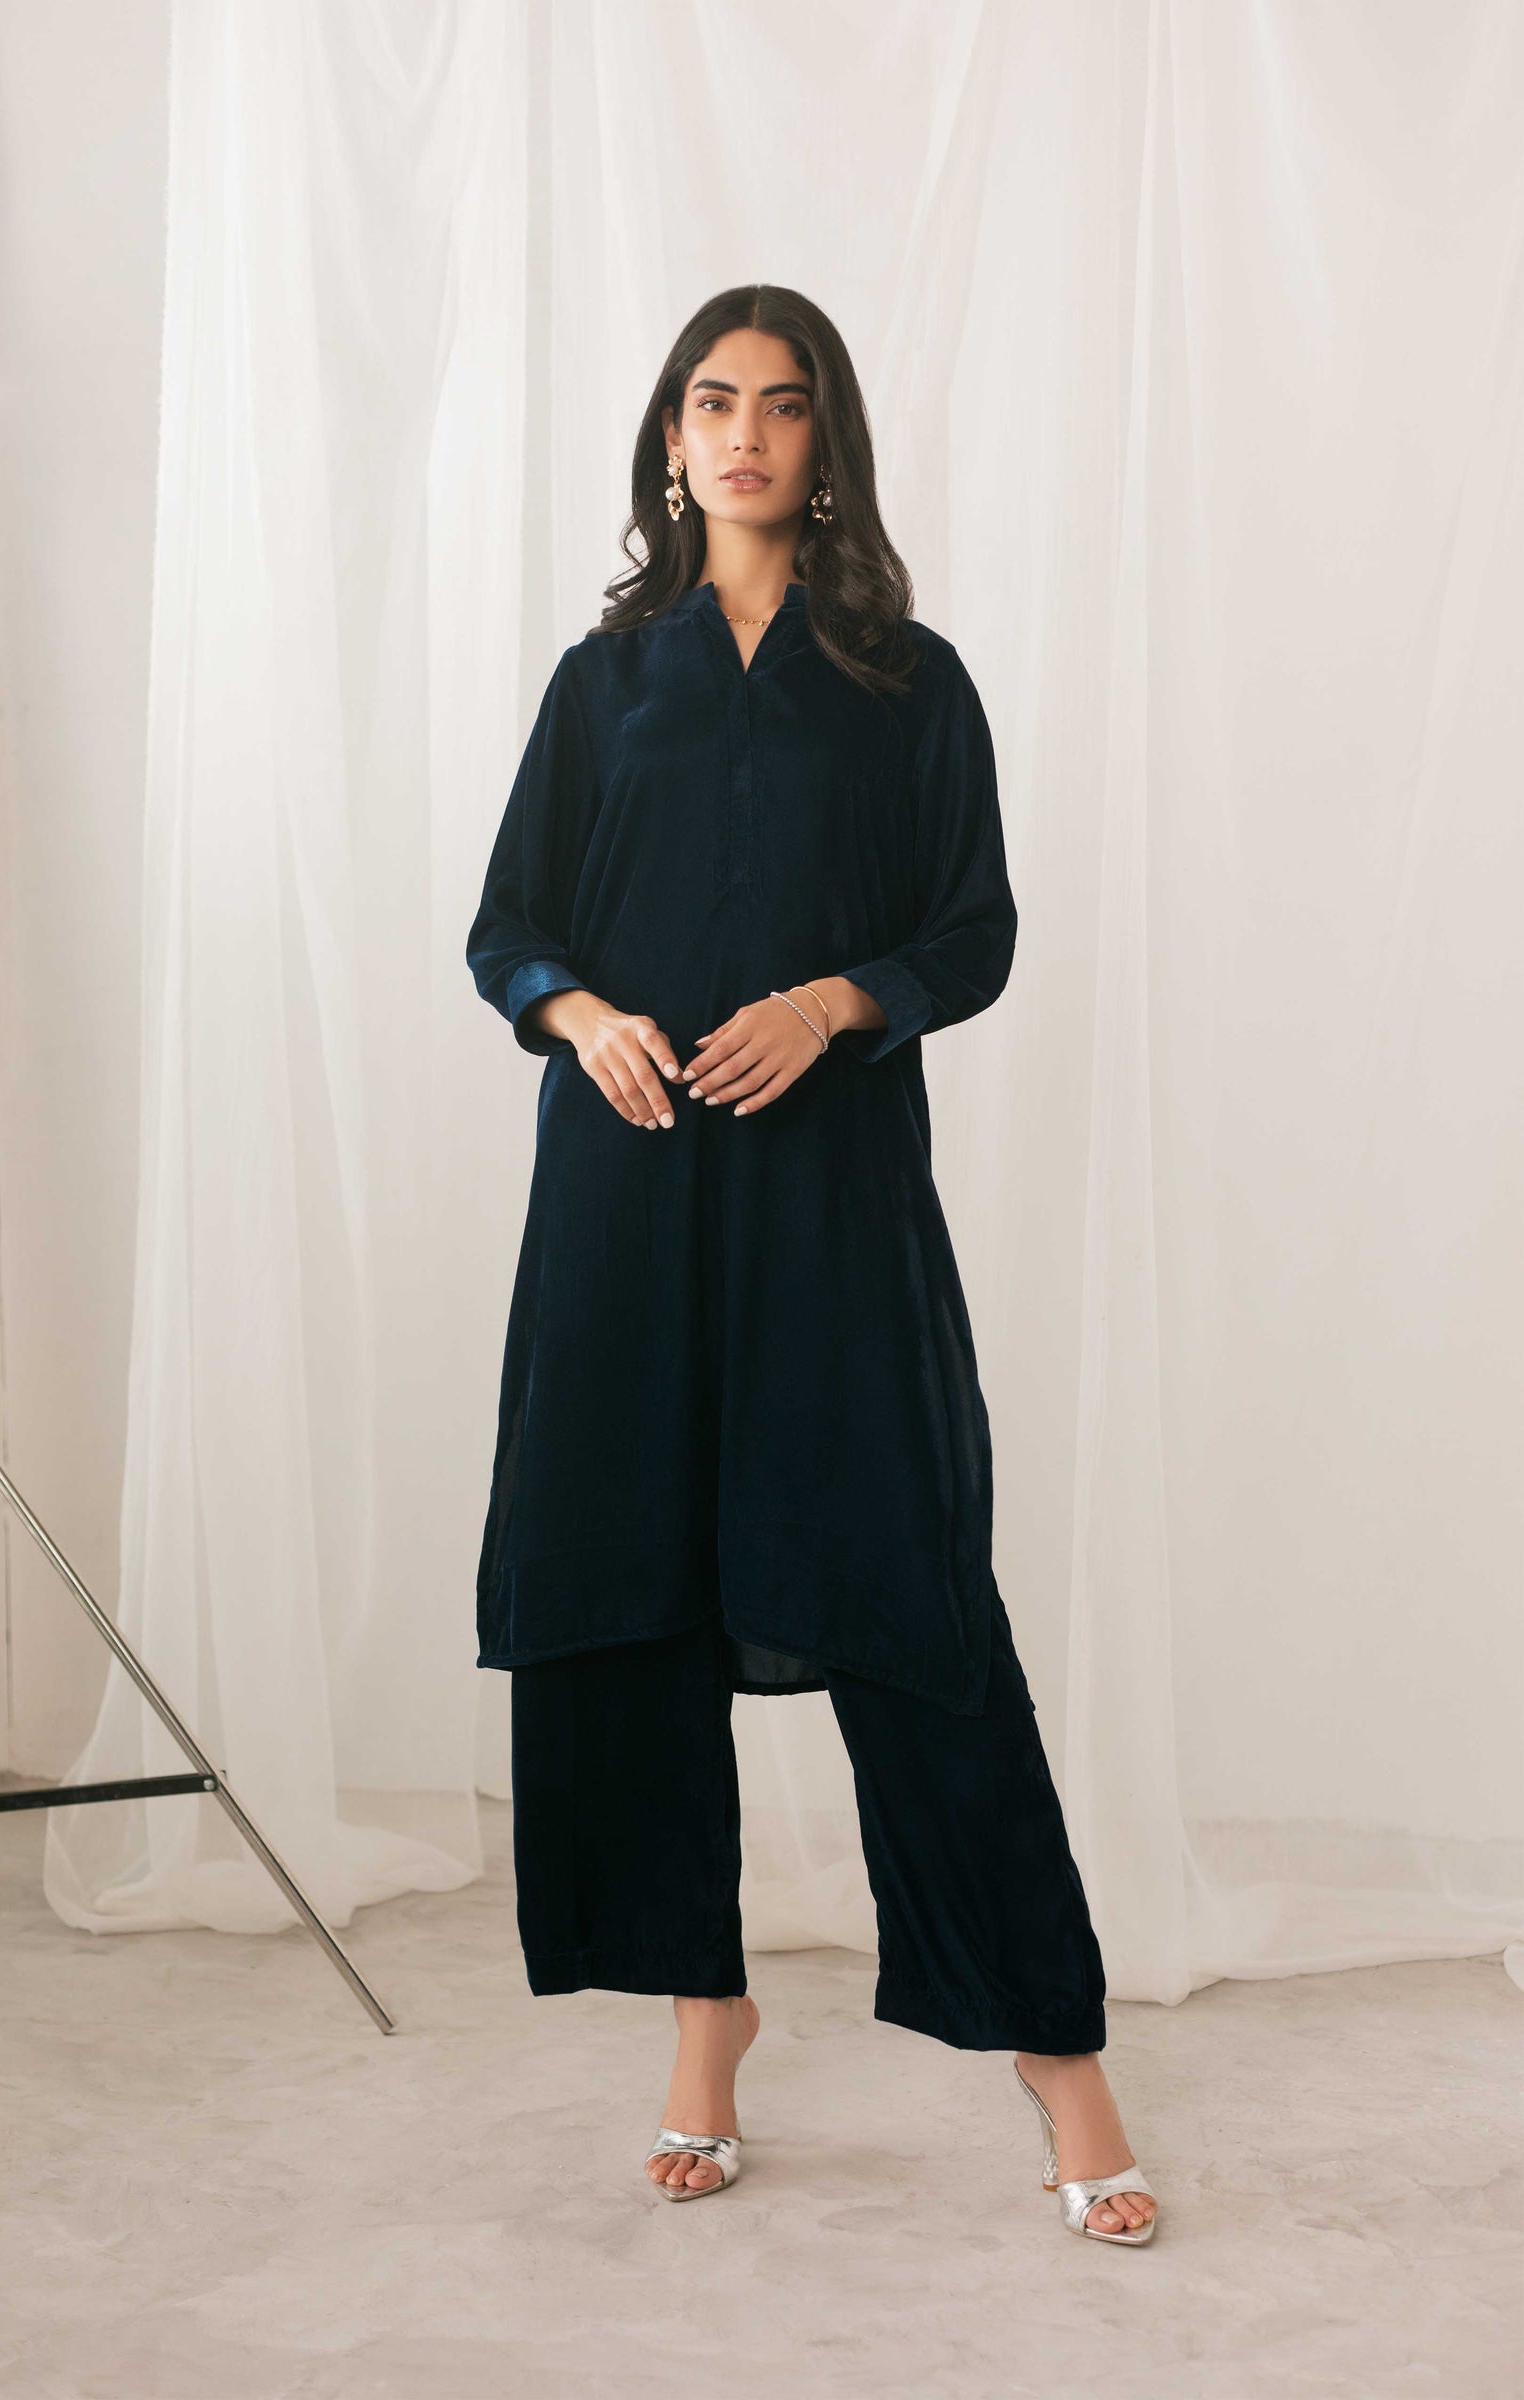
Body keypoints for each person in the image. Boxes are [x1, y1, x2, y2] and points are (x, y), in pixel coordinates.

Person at [465, 284, 1159, 2245]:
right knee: (635, 1592)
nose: (744, 435)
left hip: (830, 1197)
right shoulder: (605, 681)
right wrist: (581, 1015)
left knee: (910, 1595)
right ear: (669, 440)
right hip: (624, 1193)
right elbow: (508, 929)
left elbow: (973, 932)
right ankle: (706, 2027)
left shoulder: (909, 682)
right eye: (712, 403)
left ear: (824, 442)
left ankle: (1060, 2062)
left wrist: (836, 1001)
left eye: (781, 406)